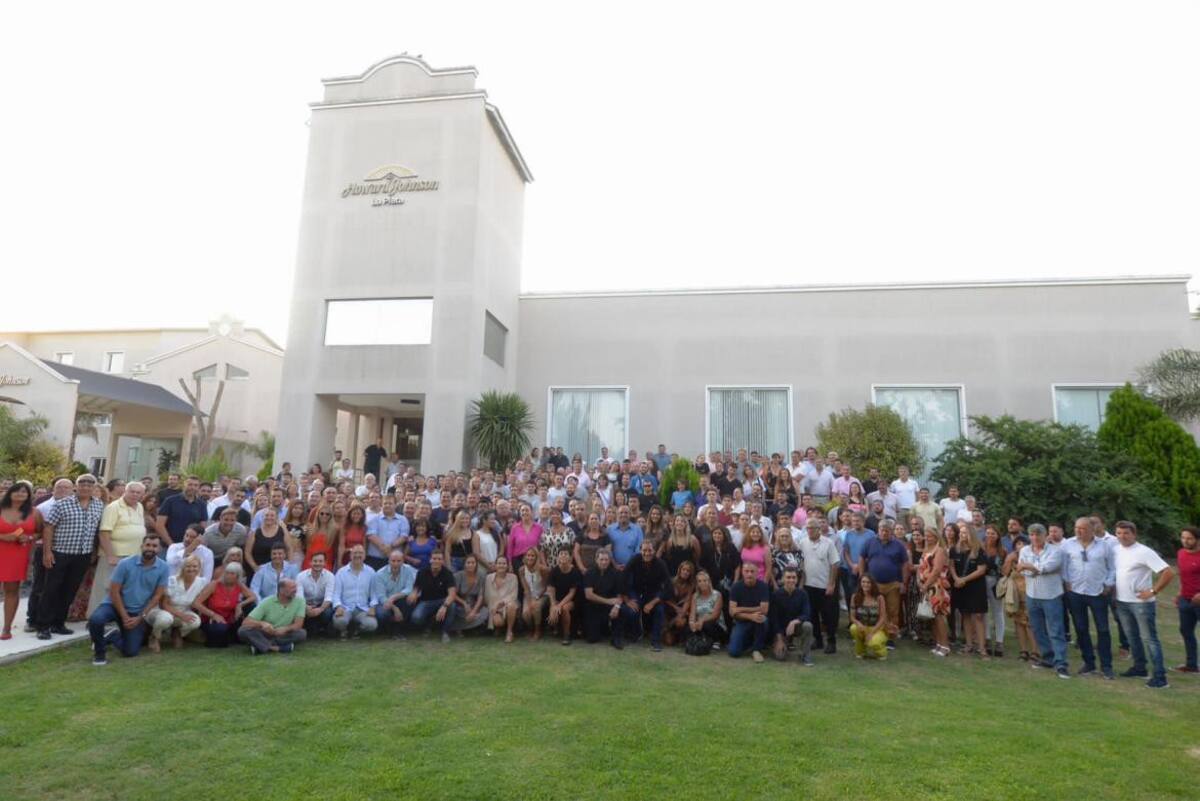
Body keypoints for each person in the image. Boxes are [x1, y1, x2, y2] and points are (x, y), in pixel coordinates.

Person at [36, 474, 103, 640]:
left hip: (82, 555)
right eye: (82, 484)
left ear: (94, 488)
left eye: (90, 484)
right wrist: (47, 552)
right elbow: (49, 527)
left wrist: (94, 551)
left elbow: (97, 531)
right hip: (60, 553)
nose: (85, 487)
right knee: (51, 589)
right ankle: (43, 626)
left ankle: (58, 623)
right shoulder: (62, 504)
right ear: (76, 486)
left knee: (69, 590)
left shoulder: (99, 506)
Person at [1112, 520, 1175, 689]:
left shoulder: (1144, 552)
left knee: (1150, 639)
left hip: (1141, 603)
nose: (1122, 537)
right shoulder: (1116, 550)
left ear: (1134, 534)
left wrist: (1153, 591)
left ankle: (1160, 677)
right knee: (1132, 637)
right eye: (1119, 533)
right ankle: (1139, 668)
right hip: (1122, 601)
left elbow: (1168, 572)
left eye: (1126, 533)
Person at [87, 535, 168, 665]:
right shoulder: (125, 563)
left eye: (154, 546)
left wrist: (141, 617)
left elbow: (157, 596)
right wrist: (124, 615)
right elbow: (114, 591)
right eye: (148, 545)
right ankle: (99, 654)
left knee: (130, 652)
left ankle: (112, 636)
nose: (150, 548)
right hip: (113, 605)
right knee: (96, 619)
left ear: (159, 549)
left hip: (136, 612)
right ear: (141, 546)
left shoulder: (164, 567)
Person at [1061, 516, 1116, 679]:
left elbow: (1112, 568)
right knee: (1081, 628)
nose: (1078, 531)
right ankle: (1089, 663)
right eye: (1076, 527)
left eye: (1083, 528)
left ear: (1092, 530)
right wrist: (1066, 581)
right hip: (1076, 592)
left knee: (1103, 629)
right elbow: (1064, 565)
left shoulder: (1105, 546)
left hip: (1098, 592)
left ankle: (1106, 666)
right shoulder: (1068, 544)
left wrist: (1108, 584)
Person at [1018, 524, 1069, 679]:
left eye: (1038, 535)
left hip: (1051, 595)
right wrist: (1033, 569)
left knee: (1055, 630)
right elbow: (1022, 569)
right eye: (1032, 535)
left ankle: (1061, 663)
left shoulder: (1056, 551)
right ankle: (1048, 658)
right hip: (1032, 594)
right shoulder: (1024, 550)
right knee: (1038, 629)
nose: (1035, 538)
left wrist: (1031, 568)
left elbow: (1047, 567)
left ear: (1045, 535)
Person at [860, 519, 909, 649]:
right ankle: (873, 634)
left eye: (887, 530)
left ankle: (890, 639)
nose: (884, 532)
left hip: (893, 584)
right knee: (873, 611)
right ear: (878, 530)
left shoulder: (899, 545)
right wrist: (862, 576)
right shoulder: (869, 542)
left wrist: (904, 582)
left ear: (891, 531)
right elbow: (862, 558)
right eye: (882, 530)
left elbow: (905, 564)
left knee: (893, 612)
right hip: (874, 584)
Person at [797, 519, 840, 654]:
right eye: (808, 528)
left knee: (828, 616)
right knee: (813, 615)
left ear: (818, 529)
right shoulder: (803, 542)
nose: (810, 530)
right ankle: (818, 640)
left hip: (825, 586)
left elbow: (835, 564)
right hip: (809, 585)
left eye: (812, 528)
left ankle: (831, 641)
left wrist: (831, 584)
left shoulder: (828, 543)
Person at [0, 481, 36, 640]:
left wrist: (28, 537)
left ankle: (7, 628)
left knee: (12, 590)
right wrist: (3, 536)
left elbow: (41, 533)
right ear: (10, 493)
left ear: (29, 495)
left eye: (24, 492)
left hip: (17, 556)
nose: (20, 494)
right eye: (17, 491)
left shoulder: (34, 513)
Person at [147, 554, 205, 649]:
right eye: (188, 566)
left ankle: (177, 632)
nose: (192, 569)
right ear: (183, 568)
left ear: (199, 568)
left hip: (183, 611)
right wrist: (182, 616)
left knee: (196, 622)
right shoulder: (172, 580)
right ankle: (154, 636)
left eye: (195, 566)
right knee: (166, 619)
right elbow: (164, 604)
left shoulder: (200, 582)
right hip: (163, 611)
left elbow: (196, 603)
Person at [949, 523, 989, 659]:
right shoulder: (955, 549)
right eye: (961, 532)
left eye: (965, 532)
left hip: (976, 586)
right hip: (960, 587)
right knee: (965, 615)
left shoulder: (979, 550)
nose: (962, 535)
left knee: (978, 616)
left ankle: (982, 648)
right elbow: (951, 566)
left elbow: (981, 570)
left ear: (971, 534)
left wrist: (964, 579)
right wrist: (956, 578)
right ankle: (969, 645)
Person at [194, 562, 256, 648]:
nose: (228, 576)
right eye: (227, 573)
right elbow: (196, 603)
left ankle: (233, 637)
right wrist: (213, 615)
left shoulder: (239, 585)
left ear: (237, 576)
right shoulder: (214, 584)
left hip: (230, 619)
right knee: (220, 637)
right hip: (211, 619)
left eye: (232, 573)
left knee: (251, 606)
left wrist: (240, 605)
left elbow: (253, 597)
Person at [238, 578, 307, 655]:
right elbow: (246, 622)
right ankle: (276, 648)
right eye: (292, 588)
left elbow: (298, 624)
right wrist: (262, 624)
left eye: (295, 587)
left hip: (283, 633)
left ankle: (259, 645)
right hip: (265, 632)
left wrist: (286, 629)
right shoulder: (267, 602)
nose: (295, 590)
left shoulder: (300, 601)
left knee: (301, 633)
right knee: (243, 630)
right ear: (281, 590)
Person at [406, 549, 459, 641]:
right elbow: (416, 588)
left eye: (439, 559)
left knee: (452, 605)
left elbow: (452, 594)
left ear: (443, 561)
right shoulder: (422, 572)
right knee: (416, 618)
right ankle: (429, 624)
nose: (436, 561)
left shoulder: (448, 574)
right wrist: (413, 594)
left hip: (442, 600)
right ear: (430, 560)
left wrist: (444, 606)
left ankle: (445, 632)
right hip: (426, 601)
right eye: (434, 558)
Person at [727, 561, 770, 662]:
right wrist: (750, 616)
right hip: (741, 621)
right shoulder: (736, 587)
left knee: (763, 619)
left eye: (752, 571)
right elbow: (732, 612)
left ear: (757, 572)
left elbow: (764, 610)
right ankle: (748, 644)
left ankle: (756, 650)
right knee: (734, 652)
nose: (749, 574)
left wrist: (740, 609)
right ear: (742, 572)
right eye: (747, 571)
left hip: (758, 620)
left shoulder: (763, 587)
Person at [332, 544, 379, 638]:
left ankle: (356, 630)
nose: (357, 555)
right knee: (339, 621)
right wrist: (338, 606)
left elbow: (374, 594)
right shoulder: (341, 572)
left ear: (365, 556)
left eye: (360, 553)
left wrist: (373, 606)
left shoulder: (371, 572)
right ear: (350, 555)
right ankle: (344, 630)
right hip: (345, 608)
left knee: (372, 625)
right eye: (355, 553)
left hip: (363, 609)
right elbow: (336, 594)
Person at [770, 567, 814, 665]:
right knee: (780, 657)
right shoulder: (775, 595)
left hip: (796, 627)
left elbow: (807, 614)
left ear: (797, 579)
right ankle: (780, 644)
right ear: (782, 579)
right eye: (788, 577)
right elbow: (774, 619)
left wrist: (794, 621)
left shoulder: (803, 594)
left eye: (793, 577)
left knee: (808, 625)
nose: (791, 580)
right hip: (781, 630)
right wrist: (780, 639)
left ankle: (805, 655)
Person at [918, 527, 952, 656]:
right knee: (933, 616)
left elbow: (937, 570)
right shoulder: (927, 549)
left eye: (930, 535)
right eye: (926, 535)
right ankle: (938, 643)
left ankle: (945, 646)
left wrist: (926, 585)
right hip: (927, 586)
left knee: (939, 616)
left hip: (936, 586)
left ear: (937, 536)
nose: (927, 538)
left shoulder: (940, 550)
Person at [583, 549, 624, 647]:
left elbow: (620, 594)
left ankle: (616, 638)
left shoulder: (616, 573)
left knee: (621, 611)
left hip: (610, 607)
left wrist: (617, 606)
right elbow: (588, 595)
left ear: (610, 560)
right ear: (596, 560)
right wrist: (608, 601)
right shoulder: (589, 573)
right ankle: (603, 629)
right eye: (601, 559)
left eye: (606, 560)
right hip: (593, 606)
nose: (604, 562)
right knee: (592, 639)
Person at [155, 475, 207, 547]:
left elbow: (202, 528)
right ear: (184, 485)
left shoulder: (201, 504)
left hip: (190, 547)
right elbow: (159, 525)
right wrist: (171, 545)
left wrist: (193, 545)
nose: (192, 487)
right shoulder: (170, 501)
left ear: (198, 488)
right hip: (167, 546)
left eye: (196, 485)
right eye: (190, 484)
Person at [1176, 527, 1200, 674]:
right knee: (1185, 630)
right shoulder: (1180, 553)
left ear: (1197, 539)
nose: (1185, 541)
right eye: (1183, 537)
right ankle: (1191, 665)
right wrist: (1179, 593)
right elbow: (1183, 575)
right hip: (1186, 599)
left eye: (1189, 538)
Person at [849, 574, 889, 660]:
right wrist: (858, 623)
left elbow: (883, 618)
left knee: (874, 642)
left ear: (872, 584)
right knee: (853, 628)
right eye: (863, 582)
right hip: (863, 627)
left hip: (877, 628)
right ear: (860, 583)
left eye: (868, 582)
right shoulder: (855, 596)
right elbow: (852, 617)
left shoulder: (879, 598)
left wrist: (871, 633)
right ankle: (861, 649)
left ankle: (882, 652)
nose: (865, 584)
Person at [367, 494, 410, 570]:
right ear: (382, 504)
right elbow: (371, 535)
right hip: (375, 559)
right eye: (385, 503)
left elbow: (404, 536)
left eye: (390, 503)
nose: (387, 505)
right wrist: (384, 547)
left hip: (395, 560)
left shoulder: (403, 520)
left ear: (395, 505)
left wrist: (390, 546)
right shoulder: (374, 519)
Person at [297, 551, 335, 637]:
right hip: (306, 605)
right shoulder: (301, 576)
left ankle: (322, 628)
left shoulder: (330, 576)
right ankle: (309, 628)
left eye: (320, 561)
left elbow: (329, 597)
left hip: (322, 606)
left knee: (328, 613)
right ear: (310, 562)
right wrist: (306, 607)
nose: (317, 563)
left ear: (325, 563)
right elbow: (299, 597)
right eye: (315, 561)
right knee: (299, 610)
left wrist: (320, 609)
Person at [547, 549, 580, 645]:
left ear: (570, 558)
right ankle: (555, 628)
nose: (563, 556)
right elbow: (550, 590)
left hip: (572, 600)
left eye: (566, 554)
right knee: (552, 609)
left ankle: (566, 635)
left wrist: (559, 606)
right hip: (557, 599)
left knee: (564, 608)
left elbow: (572, 593)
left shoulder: (575, 572)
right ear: (558, 557)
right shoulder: (554, 571)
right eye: (561, 554)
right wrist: (553, 605)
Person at [485, 555, 520, 642]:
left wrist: (501, 602)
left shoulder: (513, 577)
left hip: (509, 605)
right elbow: (487, 596)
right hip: (494, 607)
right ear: (495, 565)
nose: (501, 565)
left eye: (504, 563)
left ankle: (509, 632)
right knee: (498, 622)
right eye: (499, 563)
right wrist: (495, 610)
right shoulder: (488, 578)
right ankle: (499, 628)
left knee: (511, 605)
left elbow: (513, 595)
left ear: (507, 566)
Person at [451, 553, 489, 634]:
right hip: (460, 604)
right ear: (464, 564)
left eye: (473, 563)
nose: (471, 565)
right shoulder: (458, 576)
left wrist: (474, 611)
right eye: (468, 563)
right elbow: (453, 594)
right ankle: (465, 627)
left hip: (474, 604)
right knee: (456, 611)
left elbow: (480, 596)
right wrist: (464, 603)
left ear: (476, 564)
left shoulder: (481, 575)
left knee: (485, 612)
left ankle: (465, 627)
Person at [689, 569, 725, 647]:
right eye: (700, 581)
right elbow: (692, 614)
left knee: (707, 625)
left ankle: (716, 641)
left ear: (709, 582)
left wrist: (702, 620)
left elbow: (715, 615)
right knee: (688, 627)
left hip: (715, 624)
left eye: (705, 580)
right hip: (699, 624)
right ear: (697, 583)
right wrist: (691, 622)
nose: (702, 583)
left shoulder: (717, 595)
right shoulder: (695, 596)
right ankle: (701, 639)